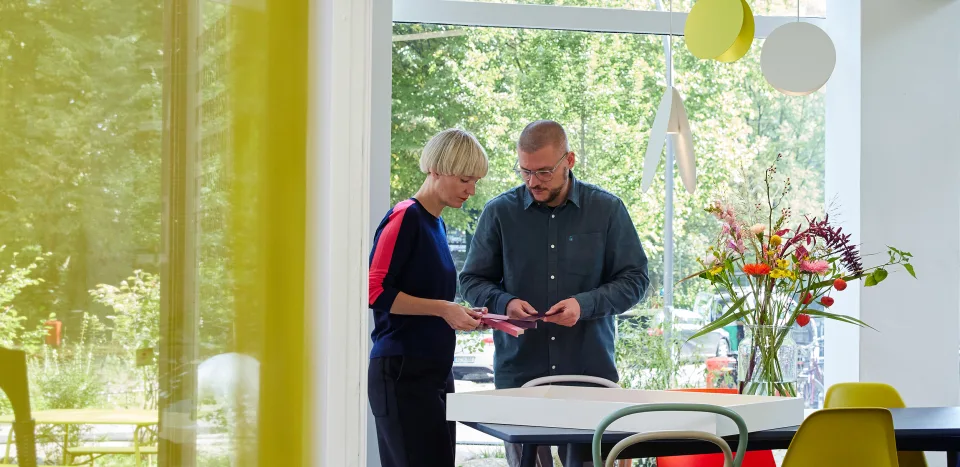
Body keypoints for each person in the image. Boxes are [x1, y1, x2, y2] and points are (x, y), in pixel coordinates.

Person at [459, 120, 649, 467]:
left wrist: (584, 304)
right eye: (525, 171)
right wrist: (505, 302)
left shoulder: (606, 210)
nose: (533, 182)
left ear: (569, 160)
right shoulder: (499, 213)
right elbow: (471, 280)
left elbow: (636, 280)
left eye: (544, 172)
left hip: (589, 376)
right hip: (520, 378)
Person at [367, 128, 490, 467]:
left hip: (433, 371)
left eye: (475, 181)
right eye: (465, 179)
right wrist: (444, 309)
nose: (471, 190)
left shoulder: (435, 225)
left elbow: (428, 301)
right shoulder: (405, 216)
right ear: (436, 169)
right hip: (402, 371)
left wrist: (459, 313)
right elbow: (374, 290)